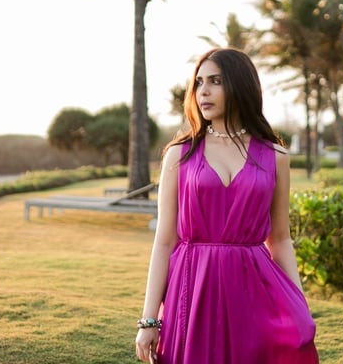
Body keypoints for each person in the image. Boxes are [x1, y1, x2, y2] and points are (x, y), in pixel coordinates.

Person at [135, 48, 319, 363]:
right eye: (199, 82)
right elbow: (164, 241)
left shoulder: (276, 156)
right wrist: (149, 319)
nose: (203, 91)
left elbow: (280, 239)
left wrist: (299, 305)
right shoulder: (179, 155)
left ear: (239, 85)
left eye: (215, 81)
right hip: (191, 289)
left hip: (252, 291)